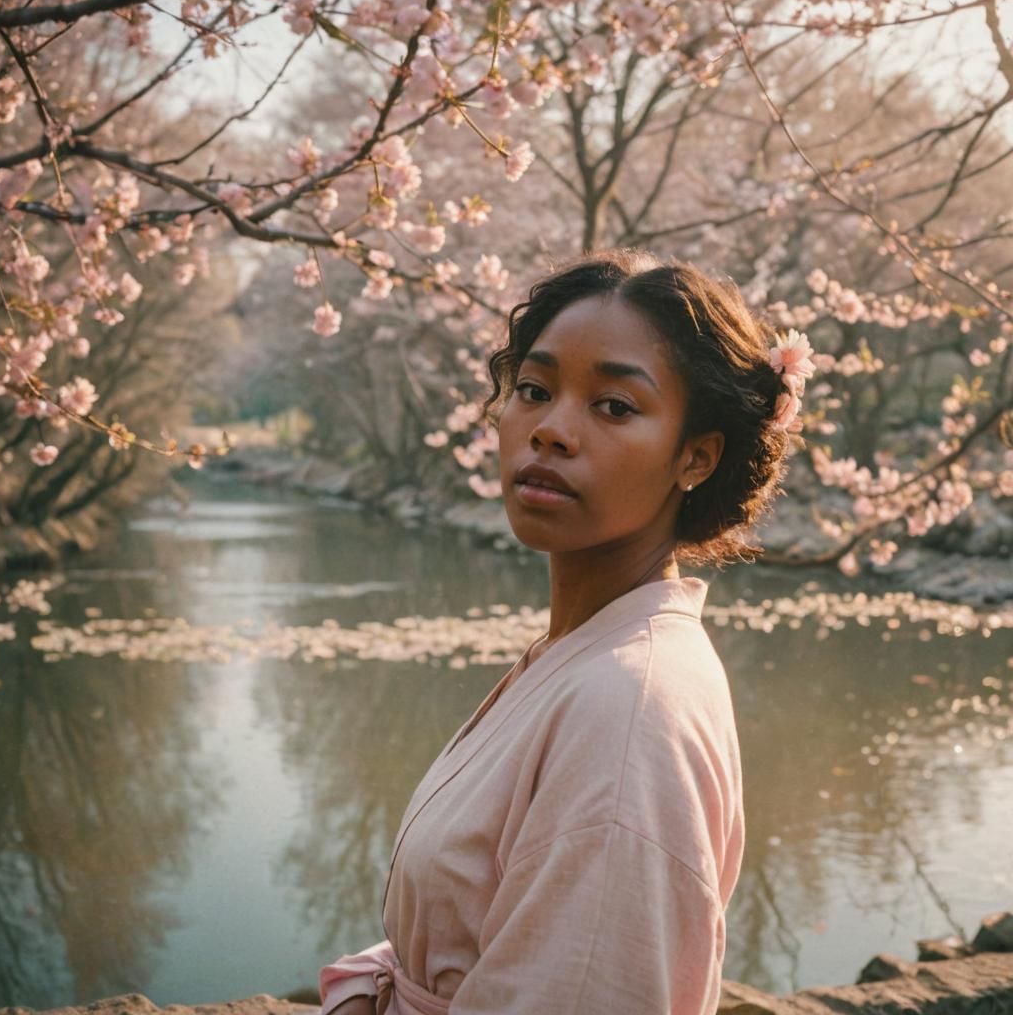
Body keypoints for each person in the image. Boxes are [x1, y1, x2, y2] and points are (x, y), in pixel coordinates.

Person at [317, 249, 811, 1015]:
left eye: (614, 406)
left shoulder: (629, 706)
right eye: (534, 389)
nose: (549, 430)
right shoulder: (585, 654)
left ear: (697, 455)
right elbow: (473, 921)